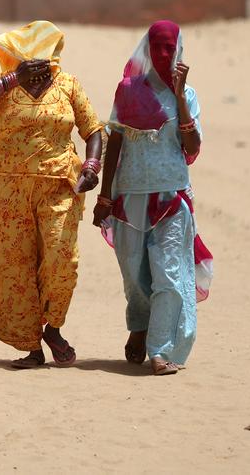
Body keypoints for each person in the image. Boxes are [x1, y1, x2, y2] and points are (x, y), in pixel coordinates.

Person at [0, 20, 104, 369]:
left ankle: (53, 327)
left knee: (61, 258)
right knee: (15, 268)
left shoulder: (68, 85)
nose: (41, 61)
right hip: (7, 190)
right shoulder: (6, 84)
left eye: (47, 54)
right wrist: (12, 79)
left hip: (58, 185)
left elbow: (92, 128)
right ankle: (31, 345)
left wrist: (92, 166)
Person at [92, 20, 213, 376]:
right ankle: (140, 324)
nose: (163, 55)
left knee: (169, 274)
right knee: (134, 272)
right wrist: (104, 194)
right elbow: (115, 141)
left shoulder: (188, 97)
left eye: (170, 48)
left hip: (170, 196)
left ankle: (160, 349)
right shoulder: (128, 91)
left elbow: (192, 148)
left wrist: (179, 97)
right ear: (147, 49)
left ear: (179, 54)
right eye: (157, 47)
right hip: (129, 196)